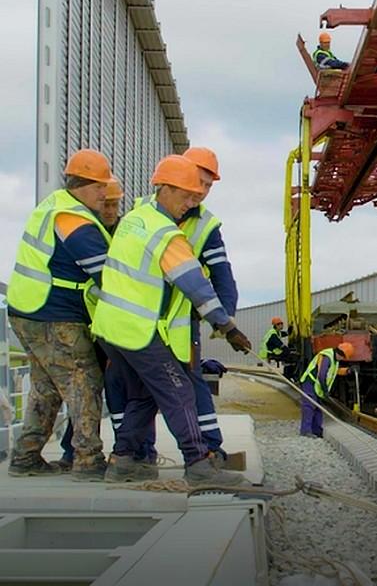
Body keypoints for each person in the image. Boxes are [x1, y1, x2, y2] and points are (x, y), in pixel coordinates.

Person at [91, 155, 252, 486]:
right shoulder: (165, 233)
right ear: (165, 188)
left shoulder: (135, 219)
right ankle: (198, 464)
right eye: (187, 196)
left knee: (144, 395)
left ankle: (122, 462)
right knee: (178, 390)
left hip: (110, 328)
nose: (192, 203)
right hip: (136, 330)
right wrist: (227, 325)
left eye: (196, 196)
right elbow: (196, 285)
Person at [6, 149, 113, 481]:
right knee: (85, 380)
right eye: (99, 187)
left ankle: (25, 457)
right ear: (80, 185)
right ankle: (88, 460)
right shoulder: (74, 220)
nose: (105, 193)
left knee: (46, 387)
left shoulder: (52, 206)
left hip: (28, 310)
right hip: (54, 314)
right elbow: (106, 274)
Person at [57, 176, 127, 470]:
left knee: (115, 388)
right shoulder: (85, 229)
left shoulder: (124, 231)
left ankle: (126, 450)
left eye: (114, 205)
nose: (109, 210)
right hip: (87, 320)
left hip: (112, 323)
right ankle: (71, 451)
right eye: (106, 204)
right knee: (87, 389)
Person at [178, 146, 237, 462]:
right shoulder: (142, 211)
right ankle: (136, 453)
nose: (202, 191)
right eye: (199, 181)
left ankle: (210, 448)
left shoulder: (206, 225)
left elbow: (221, 271)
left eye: (208, 186)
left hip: (181, 318)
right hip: (140, 317)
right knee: (135, 387)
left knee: (193, 380)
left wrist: (226, 316)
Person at [298, 342, 354, 438]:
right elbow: (322, 375)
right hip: (310, 382)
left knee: (318, 408)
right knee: (309, 407)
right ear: (342, 355)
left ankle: (317, 431)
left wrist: (346, 371)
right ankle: (305, 431)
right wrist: (325, 390)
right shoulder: (327, 357)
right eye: (344, 358)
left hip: (317, 385)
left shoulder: (334, 360)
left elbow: (333, 371)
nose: (343, 359)